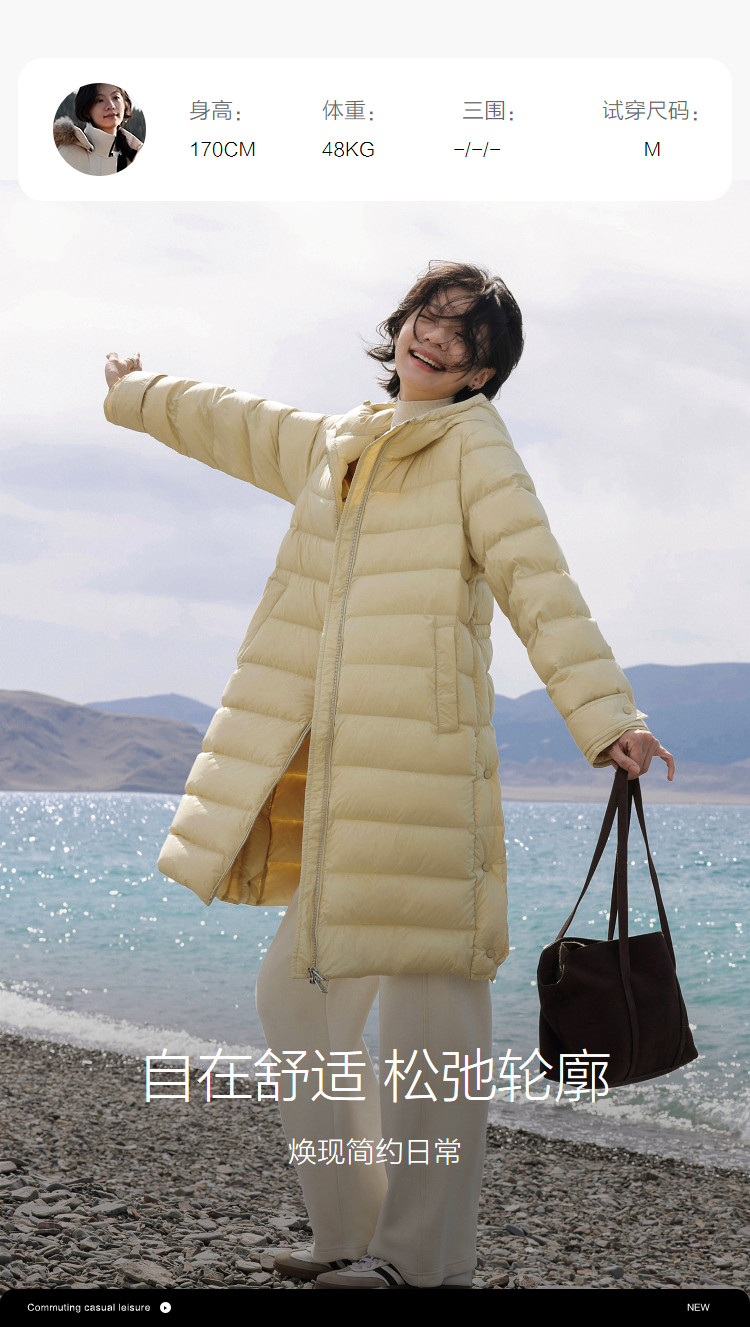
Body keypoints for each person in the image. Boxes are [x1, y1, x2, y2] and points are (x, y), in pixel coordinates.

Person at [103, 261, 674, 1290]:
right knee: (295, 997)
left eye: (465, 338)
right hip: (349, 790)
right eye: (429, 318)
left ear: (483, 371)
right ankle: (353, 1234)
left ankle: (421, 1261)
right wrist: (138, 391)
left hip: (429, 781)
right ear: (404, 324)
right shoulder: (344, 442)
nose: (437, 340)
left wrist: (608, 716)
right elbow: (238, 424)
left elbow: (537, 578)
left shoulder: (473, 448)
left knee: (433, 1033)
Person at [54, 84, 142, 176]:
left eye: (116, 97)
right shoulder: (69, 154)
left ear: (125, 104)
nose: (111, 106)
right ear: (87, 110)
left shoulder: (136, 153)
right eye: (100, 100)